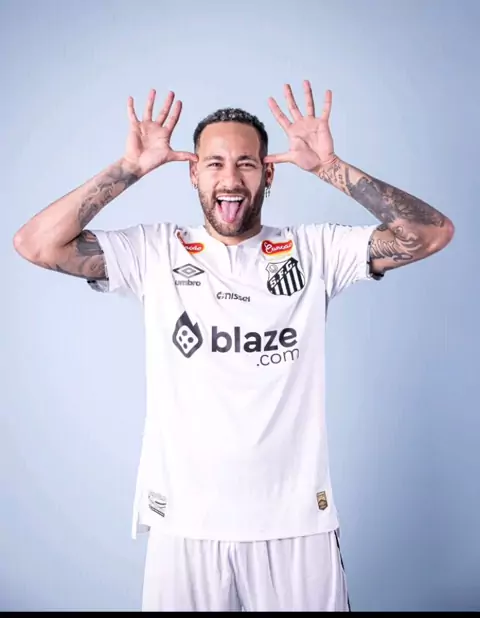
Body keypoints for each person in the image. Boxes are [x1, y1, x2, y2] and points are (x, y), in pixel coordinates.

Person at [13, 81, 454, 612]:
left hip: (296, 526)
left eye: (246, 164)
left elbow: (430, 233)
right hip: (185, 525)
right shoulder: (155, 252)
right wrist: (128, 169)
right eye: (215, 163)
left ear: (269, 173)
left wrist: (331, 168)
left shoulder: (314, 250)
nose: (230, 178)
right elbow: (36, 244)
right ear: (193, 173)